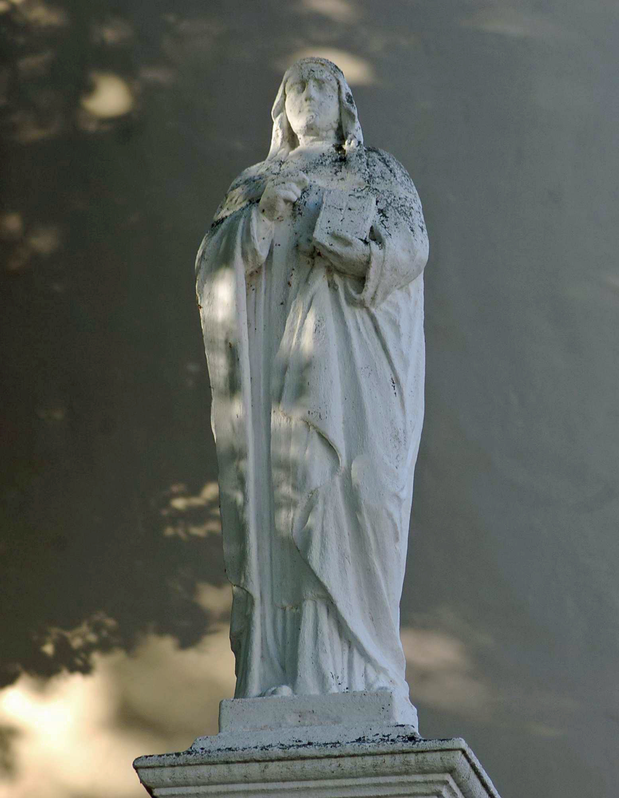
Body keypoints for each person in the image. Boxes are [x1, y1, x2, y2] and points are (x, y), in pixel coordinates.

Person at [194, 57, 429, 719]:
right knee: (289, 503)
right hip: (283, 383)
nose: (306, 95)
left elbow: (411, 248)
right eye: (294, 87)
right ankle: (286, 672)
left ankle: (364, 667)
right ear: (281, 109)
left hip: (358, 372)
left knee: (360, 497)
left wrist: (363, 257)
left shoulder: (376, 171)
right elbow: (213, 273)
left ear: (344, 102)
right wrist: (261, 219)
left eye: (320, 84)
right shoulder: (256, 183)